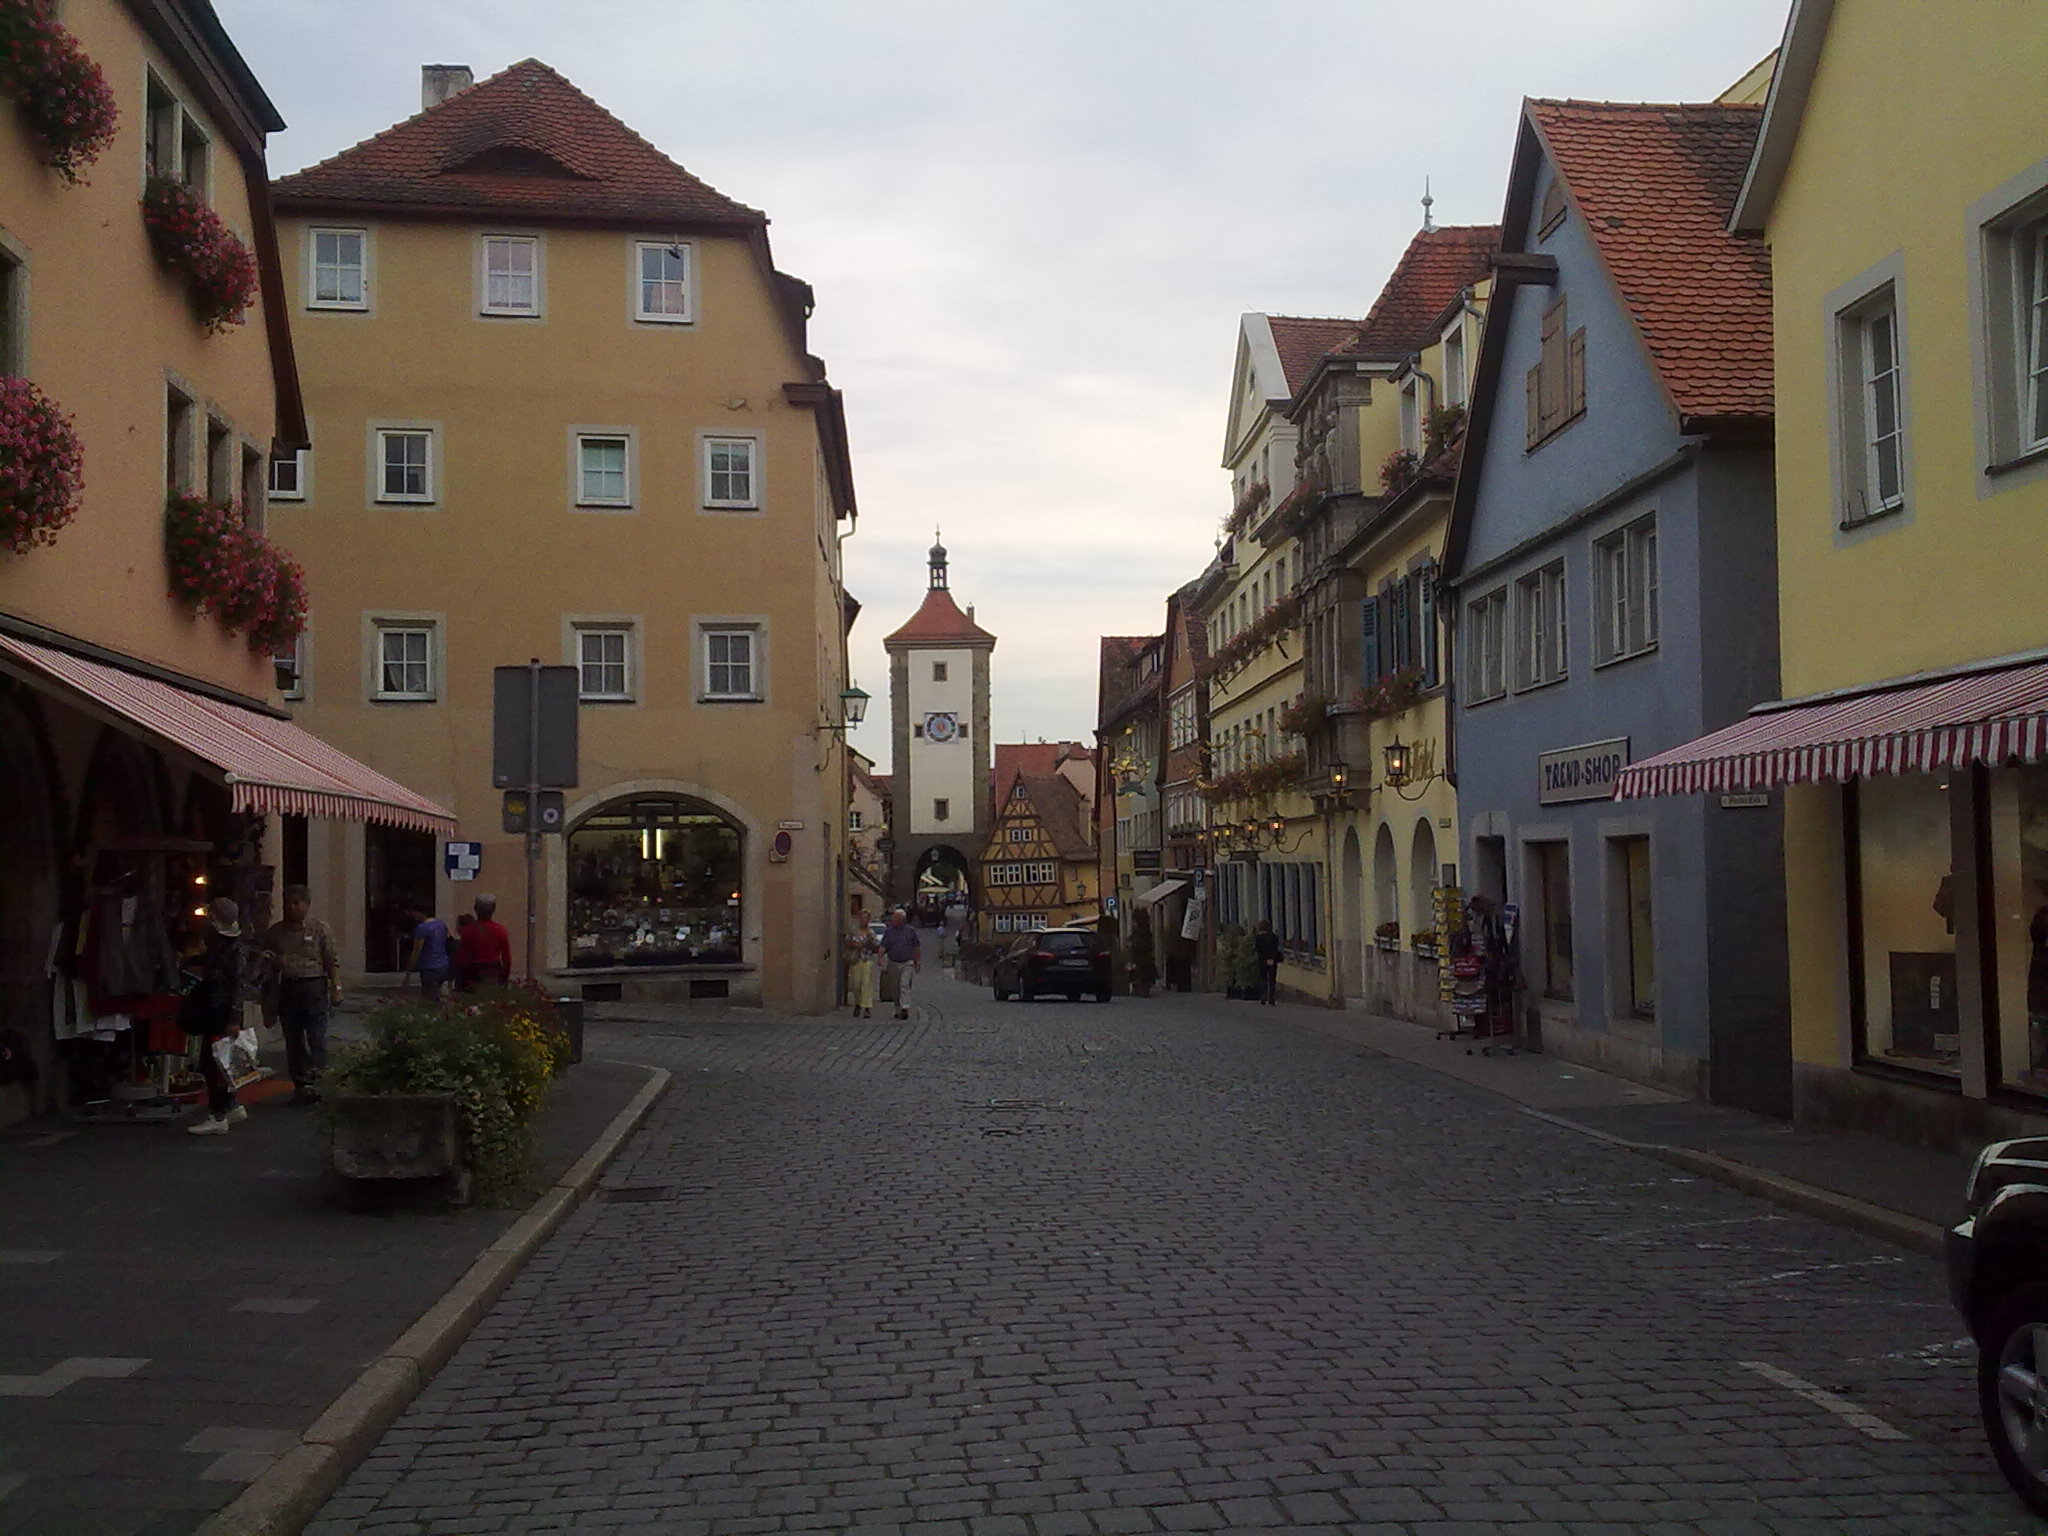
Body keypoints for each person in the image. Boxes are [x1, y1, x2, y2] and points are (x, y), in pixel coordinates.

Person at [261, 884, 341, 1106]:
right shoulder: (275, 932)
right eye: (288, 903)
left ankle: (320, 1085)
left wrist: (337, 988)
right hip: (288, 988)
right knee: (293, 1040)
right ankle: (300, 1086)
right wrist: (273, 962)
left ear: (307, 905)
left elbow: (331, 961)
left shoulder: (319, 929)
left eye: (297, 903)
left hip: (313, 986)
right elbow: (264, 959)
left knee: (317, 1038)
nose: (292, 907)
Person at [185, 899, 249, 1135]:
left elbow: (239, 985)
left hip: (221, 1011)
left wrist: (234, 1016)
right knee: (221, 1060)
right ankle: (230, 1105)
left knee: (216, 1062)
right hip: (215, 1008)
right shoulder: (221, 945)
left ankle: (218, 1114)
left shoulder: (232, 949)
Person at [455, 893, 513, 991]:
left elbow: (462, 957)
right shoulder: (500, 930)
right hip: (493, 971)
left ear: (475, 909)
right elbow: (506, 958)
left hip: (472, 972)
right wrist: (503, 977)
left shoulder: (469, 931)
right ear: (493, 910)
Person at [404, 905, 454, 1002]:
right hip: (443, 964)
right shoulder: (441, 924)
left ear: (420, 913)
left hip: (429, 967)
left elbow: (417, 950)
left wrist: (409, 969)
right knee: (437, 994)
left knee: (428, 998)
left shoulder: (422, 928)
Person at [879, 908, 921, 1020]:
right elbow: (883, 946)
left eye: (895, 918)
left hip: (907, 962)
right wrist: (880, 958)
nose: (893, 920)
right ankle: (898, 1008)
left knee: (904, 984)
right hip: (893, 962)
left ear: (902, 920)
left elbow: (916, 947)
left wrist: (918, 961)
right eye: (893, 917)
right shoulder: (889, 932)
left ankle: (905, 1008)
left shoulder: (910, 931)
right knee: (895, 987)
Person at [845, 925, 879, 1018]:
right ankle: (858, 1003)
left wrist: (870, 942)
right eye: (862, 918)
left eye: (866, 918)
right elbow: (846, 942)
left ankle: (867, 1008)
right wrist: (855, 944)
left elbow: (876, 947)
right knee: (856, 984)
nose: (864, 920)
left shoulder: (871, 933)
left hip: (867, 960)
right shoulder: (853, 931)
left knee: (866, 983)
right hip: (856, 960)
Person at [1252, 918, 1282, 1006]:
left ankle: (1263, 996)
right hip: (1272, 960)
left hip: (1262, 961)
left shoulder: (1259, 938)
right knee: (1272, 980)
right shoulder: (1274, 937)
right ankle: (1271, 998)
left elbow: (1258, 949)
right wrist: (1271, 958)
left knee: (1263, 978)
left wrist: (1264, 958)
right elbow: (1275, 949)